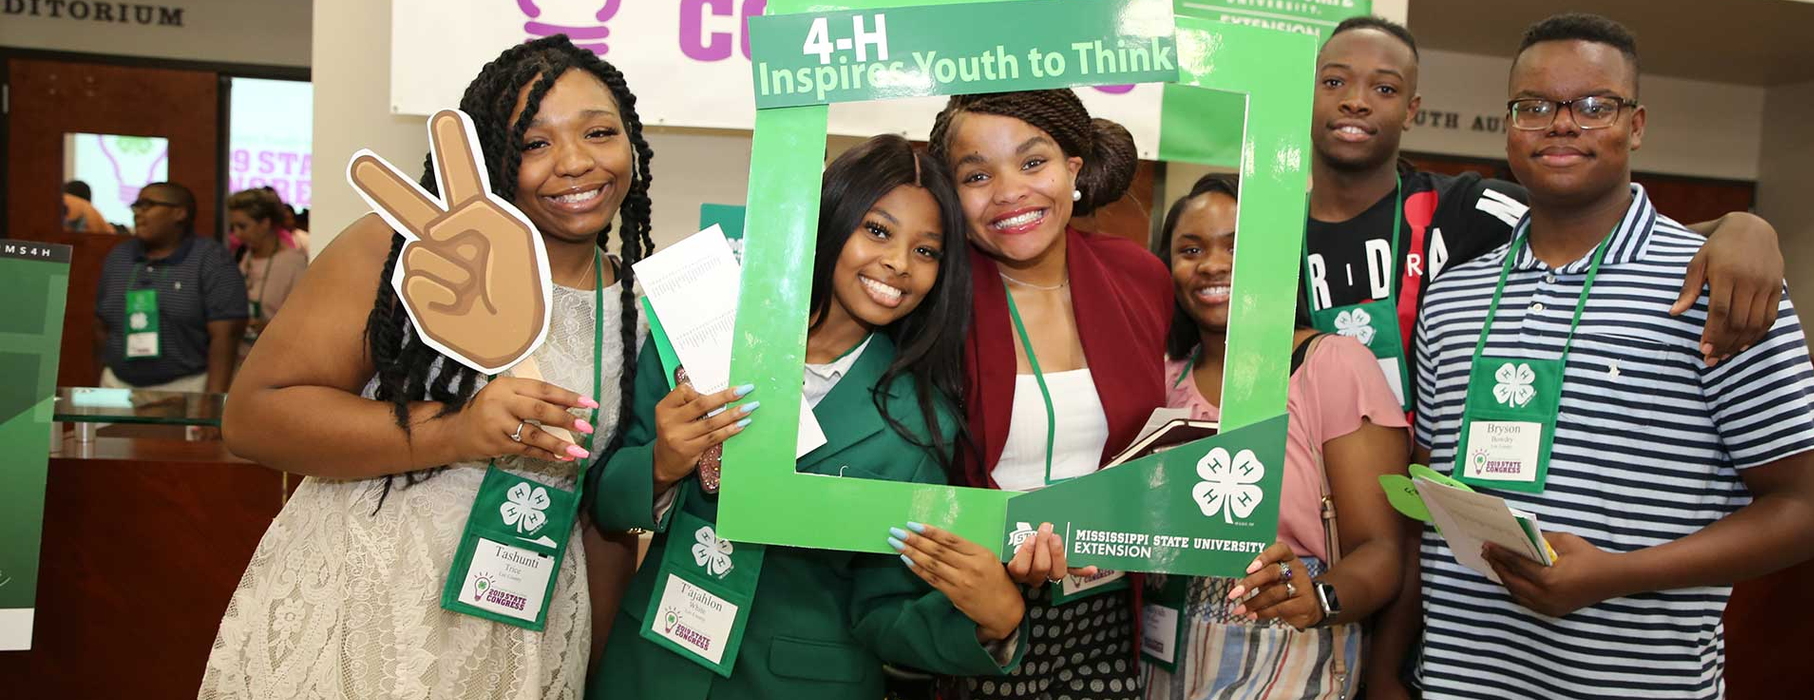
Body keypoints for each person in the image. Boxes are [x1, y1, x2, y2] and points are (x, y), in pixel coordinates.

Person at [1301, 18, 1796, 696]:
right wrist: (1392, 666)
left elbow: (1808, 509)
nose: (1562, 124)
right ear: (1508, 123)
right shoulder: (1455, 296)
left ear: (1638, 123)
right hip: (1459, 677)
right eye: (1535, 106)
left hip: (1634, 682)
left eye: (1594, 105)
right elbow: (1431, 503)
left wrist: (1618, 574)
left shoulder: (1715, 288)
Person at [199, 35, 654, 698]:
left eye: (599, 132)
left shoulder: (633, 308)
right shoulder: (411, 254)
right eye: (534, 143)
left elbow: (602, 520)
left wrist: (599, 676)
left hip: (526, 633)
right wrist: (457, 430)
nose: (575, 163)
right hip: (370, 613)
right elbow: (254, 417)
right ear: (490, 152)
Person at [587, 134, 1024, 699]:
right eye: (878, 230)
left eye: (926, 250)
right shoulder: (707, 333)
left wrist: (994, 627)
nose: (897, 263)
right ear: (831, 220)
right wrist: (661, 466)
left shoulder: (920, 423)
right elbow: (608, 507)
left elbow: (884, 608)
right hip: (653, 670)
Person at [926, 88, 1170, 700]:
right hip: (976, 613)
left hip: (1108, 616)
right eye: (977, 174)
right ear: (952, 195)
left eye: (1033, 163)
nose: (1009, 191)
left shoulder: (1138, 277)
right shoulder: (933, 294)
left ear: (1074, 170)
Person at [1139, 173, 1409, 699]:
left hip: (1290, 650)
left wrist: (1319, 600)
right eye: (1190, 249)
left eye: (1236, 247)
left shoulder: (1331, 366)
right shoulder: (1163, 375)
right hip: (1162, 653)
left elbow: (1382, 551)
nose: (1212, 265)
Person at [93, 181, 247, 393]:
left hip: (187, 388)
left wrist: (212, 402)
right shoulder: (119, 257)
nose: (138, 212)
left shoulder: (211, 260)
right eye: (136, 206)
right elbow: (101, 325)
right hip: (117, 385)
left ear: (179, 213)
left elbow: (225, 337)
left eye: (148, 205)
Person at [226, 187, 310, 362]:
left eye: (242, 226)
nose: (236, 234)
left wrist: (269, 327)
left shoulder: (293, 263)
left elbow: (303, 322)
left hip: (275, 360)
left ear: (265, 223)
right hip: (238, 359)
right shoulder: (243, 256)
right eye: (233, 227)